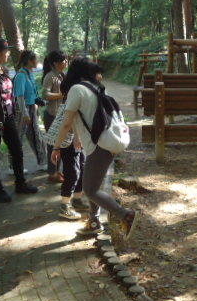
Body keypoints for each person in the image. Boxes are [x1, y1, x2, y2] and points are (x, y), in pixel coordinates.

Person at [51, 58, 138, 239]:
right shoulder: (95, 87)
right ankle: (94, 221)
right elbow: (81, 117)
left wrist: (56, 147)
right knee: (94, 185)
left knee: (90, 190)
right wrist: (77, 138)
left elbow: (66, 122)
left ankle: (125, 215)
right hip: (108, 140)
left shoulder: (76, 89)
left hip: (100, 145)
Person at [0, 38, 38, 202]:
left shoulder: (3, 71)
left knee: (17, 150)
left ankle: (20, 184)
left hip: (8, 118)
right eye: (6, 51)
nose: (8, 53)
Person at [45, 92, 89, 220]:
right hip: (69, 139)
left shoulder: (79, 92)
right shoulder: (74, 94)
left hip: (76, 138)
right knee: (72, 172)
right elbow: (68, 122)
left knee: (81, 167)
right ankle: (64, 206)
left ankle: (77, 199)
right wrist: (58, 146)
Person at [13, 50, 47, 167]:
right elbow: (20, 97)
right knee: (18, 137)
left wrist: (38, 100)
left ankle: (43, 162)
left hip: (32, 108)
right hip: (22, 110)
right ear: (29, 61)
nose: (37, 61)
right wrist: (25, 114)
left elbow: (32, 93)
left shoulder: (30, 73)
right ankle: (14, 166)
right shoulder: (21, 76)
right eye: (36, 59)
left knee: (36, 135)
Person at [42, 50, 68, 183]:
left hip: (61, 114)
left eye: (66, 59)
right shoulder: (50, 76)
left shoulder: (62, 75)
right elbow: (45, 94)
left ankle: (57, 171)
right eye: (63, 60)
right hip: (52, 115)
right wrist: (61, 95)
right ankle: (52, 173)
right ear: (55, 63)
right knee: (53, 145)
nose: (66, 62)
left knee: (60, 144)